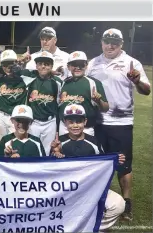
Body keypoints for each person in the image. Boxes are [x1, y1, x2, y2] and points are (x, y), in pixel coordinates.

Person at [86, 28, 151, 221]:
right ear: (102, 42)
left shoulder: (131, 63)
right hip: (97, 122)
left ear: (121, 44)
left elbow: (146, 90)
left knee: (123, 165)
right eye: (107, 41)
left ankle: (127, 202)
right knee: (98, 163)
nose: (110, 45)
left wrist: (138, 81)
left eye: (115, 42)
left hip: (121, 122)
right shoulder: (93, 63)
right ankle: (98, 200)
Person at [50, 104, 126, 231]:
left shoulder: (94, 142)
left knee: (118, 204)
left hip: (91, 189)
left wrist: (113, 161)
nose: (75, 125)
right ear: (65, 122)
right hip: (66, 191)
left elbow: (103, 166)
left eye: (79, 121)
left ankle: (93, 228)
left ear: (85, 121)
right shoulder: (59, 142)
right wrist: (54, 154)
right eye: (71, 122)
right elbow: (48, 172)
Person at [0, 49, 35, 150]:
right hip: (1, 115)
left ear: (15, 63)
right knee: (0, 144)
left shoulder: (24, 77)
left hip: (17, 117)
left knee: (16, 144)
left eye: (10, 64)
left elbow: (38, 73)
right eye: (5, 64)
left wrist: (21, 65)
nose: (8, 67)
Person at [58, 51, 109, 136]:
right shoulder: (64, 83)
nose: (77, 67)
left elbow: (106, 108)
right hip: (64, 128)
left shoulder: (94, 82)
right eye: (74, 64)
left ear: (86, 65)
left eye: (81, 64)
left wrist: (99, 101)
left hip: (86, 129)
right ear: (68, 67)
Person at [26, 51, 62, 155]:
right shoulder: (30, 78)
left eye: (46, 64)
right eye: (40, 64)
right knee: (32, 150)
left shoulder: (57, 82)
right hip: (33, 122)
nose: (43, 66)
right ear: (36, 65)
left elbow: (59, 104)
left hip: (50, 122)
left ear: (51, 66)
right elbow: (16, 71)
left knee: (47, 151)